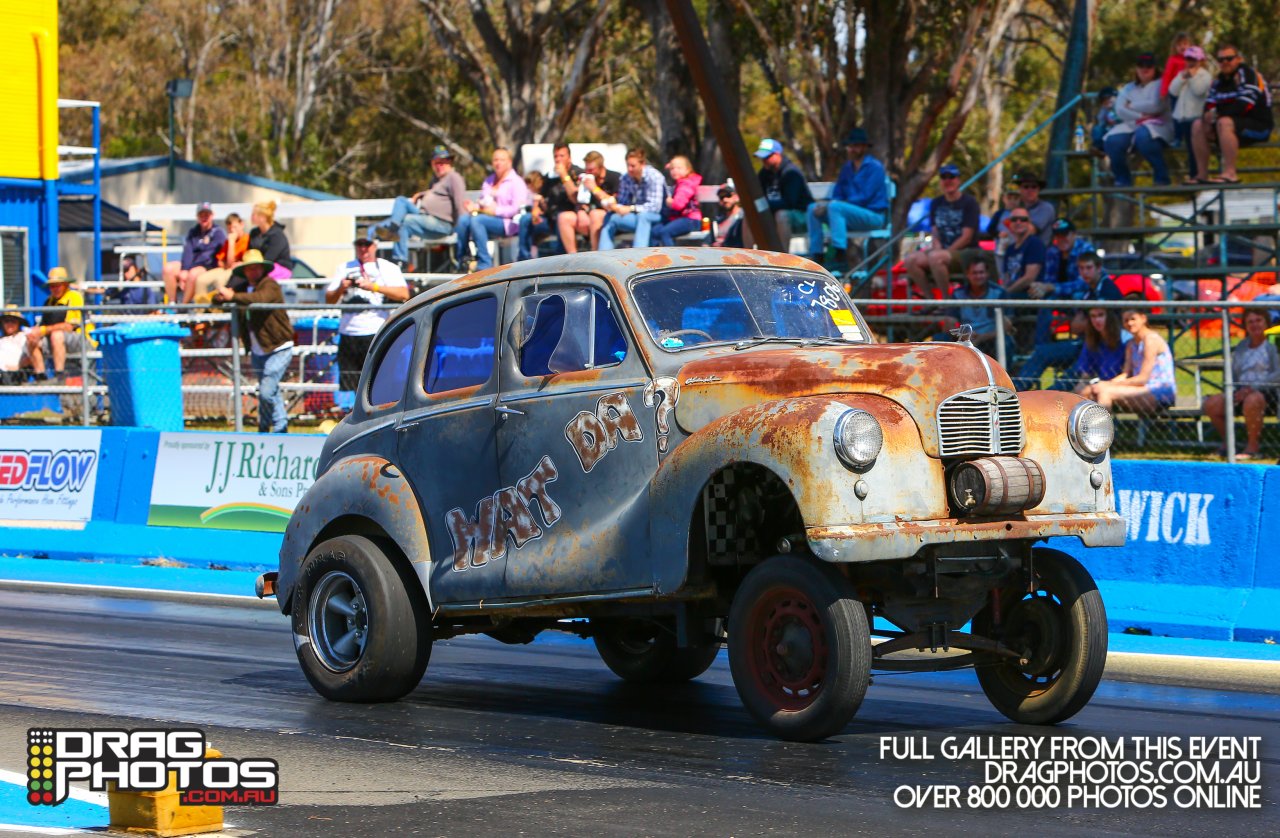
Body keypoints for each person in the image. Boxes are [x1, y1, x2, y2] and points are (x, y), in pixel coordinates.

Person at [215, 250, 292, 433]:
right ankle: (277, 427)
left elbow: (259, 300)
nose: (253, 272)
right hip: (258, 350)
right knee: (271, 391)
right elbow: (220, 300)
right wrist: (220, 296)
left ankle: (269, 427)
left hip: (278, 346)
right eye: (249, 268)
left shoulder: (270, 285)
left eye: (256, 268)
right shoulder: (242, 287)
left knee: (266, 391)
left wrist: (232, 297)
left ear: (262, 269)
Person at [325, 236, 410, 396]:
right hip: (348, 333)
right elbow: (329, 299)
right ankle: (354, 417)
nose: (363, 248)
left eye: (367, 244)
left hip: (375, 332)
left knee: (377, 380)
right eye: (359, 244)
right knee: (352, 384)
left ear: (375, 245)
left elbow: (403, 293)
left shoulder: (387, 267)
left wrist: (374, 287)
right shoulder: (344, 268)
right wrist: (341, 288)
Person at [805, 128, 888, 274]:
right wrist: (825, 206)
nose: (851, 149)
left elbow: (865, 197)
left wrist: (831, 205)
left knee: (835, 207)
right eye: (850, 146)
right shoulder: (847, 168)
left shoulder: (875, 167)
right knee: (813, 208)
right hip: (847, 215)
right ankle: (817, 254)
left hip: (873, 216)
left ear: (864, 147)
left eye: (855, 146)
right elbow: (838, 193)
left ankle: (839, 255)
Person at [1202, 309, 1280, 459]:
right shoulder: (1242, 346)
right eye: (1250, 322)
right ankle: (1228, 444)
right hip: (1241, 390)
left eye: (1258, 320)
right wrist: (1235, 389)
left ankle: (1252, 447)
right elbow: (1233, 372)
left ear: (1267, 323)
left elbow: (1278, 374)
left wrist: (1253, 388)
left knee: (1253, 399)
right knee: (1212, 403)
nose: (1255, 325)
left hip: (1267, 391)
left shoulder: (1273, 344)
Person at [370, 146, 467, 267]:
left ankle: (399, 258)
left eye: (442, 162)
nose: (439, 166)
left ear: (449, 162)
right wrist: (422, 194)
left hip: (441, 223)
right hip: (424, 217)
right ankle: (392, 232)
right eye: (436, 163)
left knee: (404, 221)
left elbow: (459, 203)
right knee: (400, 201)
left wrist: (463, 230)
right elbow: (437, 194)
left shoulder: (454, 178)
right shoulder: (436, 180)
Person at [1191, 44, 1274, 184]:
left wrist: (1216, 116)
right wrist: (1208, 120)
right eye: (1221, 59)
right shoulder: (1218, 81)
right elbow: (1209, 104)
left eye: (1229, 58)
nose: (1224, 63)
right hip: (1226, 127)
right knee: (1197, 125)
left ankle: (1230, 173)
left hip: (1258, 126)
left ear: (1238, 59)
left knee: (1224, 122)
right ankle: (1202, 175)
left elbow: (1246, 104)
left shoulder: (1248, 75)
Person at [904, 164, 980, 299]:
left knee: (936, 257)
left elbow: (967, 237)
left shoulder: (970, 202)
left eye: (952, 177)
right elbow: (935, 232)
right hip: (942, 253)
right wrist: (937, 247)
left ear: (958, 180)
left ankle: (947, 302)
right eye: (944, 177)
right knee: (910, 259)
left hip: (966, 252)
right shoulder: (936, 203)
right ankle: (930, 300)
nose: (948, 181)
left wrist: (945, 252)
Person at [1081, 308, 1176, 413]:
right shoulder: (1131, 344)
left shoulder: (1151, 340)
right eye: (1126, 320)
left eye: (1133, 319)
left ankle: (1101, 429)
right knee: (1090, 390)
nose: (1129, 323)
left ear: (1143, 318)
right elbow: (1125, 374)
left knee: (1105, 392)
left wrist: (1109, 385)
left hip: (1158, 392)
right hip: (1140, 390)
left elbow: (1143, 379)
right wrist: (1106, 383)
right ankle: (1079, 428)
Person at [1104, 53, 1174, 187]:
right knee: (1112, 141)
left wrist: (1131, 105)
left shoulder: (1161, 83)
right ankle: (1123, 179)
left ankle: (1161, 177)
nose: (1144, 69)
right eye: (1141, 66)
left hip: (1160, 126)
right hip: (1133, 125)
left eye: (1149, 66)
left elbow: (1156, 105)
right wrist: (1141, 116)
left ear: (1155, 68)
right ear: (1136, 68)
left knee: (1144, 136)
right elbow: (1119, 110)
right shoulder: (1129, 87)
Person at [455, 147, 528, 270]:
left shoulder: (517, 182)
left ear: (509, 162)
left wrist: (495, 211)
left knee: (477, 220)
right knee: (463, 220)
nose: (498, 163)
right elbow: (484, 202)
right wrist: (474, 207)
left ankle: (484, 263)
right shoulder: (489, 181)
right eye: (495, 160)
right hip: (486, 218)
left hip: (507, 223)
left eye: (502, 160)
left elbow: (517, 208)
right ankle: (462, 259)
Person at [932, 260, 1014, 362]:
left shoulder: (999, 293)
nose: (978, 276)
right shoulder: (958, 294)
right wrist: (963, 336)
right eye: (974, 273)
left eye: (981, 272)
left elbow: (1007, 326)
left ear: (987, 274)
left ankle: (1005, 374)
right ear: (968, 275)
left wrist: (982, 337)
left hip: (991, 338)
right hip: (964, 338)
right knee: (940, 338)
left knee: (1007, 341)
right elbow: (949, 322)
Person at [519, 144, 585, 260]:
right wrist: (536, 209)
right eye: (556, 156)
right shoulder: (550, 176)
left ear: (569, 157)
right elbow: (540, 196)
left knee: (562, 219)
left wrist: (564, 175)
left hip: (569, 218)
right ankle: (523, 260)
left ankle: (561, 262)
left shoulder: (577, 173)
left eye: (561, 156)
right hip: (550, 218)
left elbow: (576, 198)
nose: (558, 159)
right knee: (525, 219)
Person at [26, 268, 92, 383]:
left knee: (57, 335)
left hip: (80, 339)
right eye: (52, 286)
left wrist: (42, 330)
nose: (54, 289)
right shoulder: (49, 301)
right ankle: (41, 376)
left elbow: (69, 327)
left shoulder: (74, 297)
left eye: (58, 285)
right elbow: (43, 326)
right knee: (31, 338)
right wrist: (34, 332)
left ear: (65, 284)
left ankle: (59, 376)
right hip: (56, 341)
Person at [748, 138, 813, 248]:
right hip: (774, 214)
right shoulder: (764, 173)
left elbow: (789, 203)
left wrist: (764, 206)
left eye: (767, 157)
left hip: (801, 216)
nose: (763, 160)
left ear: (777, 155)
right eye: (762, 158)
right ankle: (745, 258)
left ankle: (781, 257)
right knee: (749, 215)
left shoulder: (791, 173)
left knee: (781, 215)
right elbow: (759, 195)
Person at [597, 148, 666, 250]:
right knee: (612, 218)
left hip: (659, 216)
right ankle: (603, 256)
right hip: (639, 216)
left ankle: (638, 256)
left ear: (642, 164)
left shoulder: (654, 176)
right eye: (628, 165)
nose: (629, 169)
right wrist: (614, 206)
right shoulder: (626, 178)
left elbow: (655, 207)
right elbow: (623, 202)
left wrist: (631, 208)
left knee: (644, 217)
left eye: (633, 166)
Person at [162, 201, 226, 304]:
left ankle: (184, 306)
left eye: (207, 215)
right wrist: (184, 270)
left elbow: (208, 256)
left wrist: (188, 270)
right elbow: (188, 251)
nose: (204, 217)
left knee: (193, 274)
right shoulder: (193, 232)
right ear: (197, 217)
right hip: (192, 265)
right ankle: (172, 303)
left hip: (209, 266)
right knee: (168, 268)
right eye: (201, 215)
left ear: (212, 216)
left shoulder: (218, 233)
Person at [1169, 46, 1213, 181]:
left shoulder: (1205, 76)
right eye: (1188, 59)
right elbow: (1173, 91)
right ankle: (1189, 174)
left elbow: (1199, 90)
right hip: (1180, 117)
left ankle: (1196, 174)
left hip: (1194, 117)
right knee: (1187, 148)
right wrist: (1182, 78)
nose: (1190, 62)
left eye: (1193, 59)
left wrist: (1192, 77)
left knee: (1194, 149)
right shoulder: (1182, 74)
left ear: (1200, 61)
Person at [1066, 307, 1128, 391]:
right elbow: (1085, 376)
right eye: (1093, 316)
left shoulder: (1125, 339)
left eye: (1101, 315)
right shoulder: (1091, 340)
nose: (1097, 320)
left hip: (1121, 385)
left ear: (1109, 317)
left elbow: (1128, 374)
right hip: (1099, 385)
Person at [193, 213, 249, 303]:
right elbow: (221, 262)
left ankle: (219, 311)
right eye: (230, 229)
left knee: (220, 281)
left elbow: (232, 263)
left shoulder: (246, 240)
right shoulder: (228, 242)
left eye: (235, 227)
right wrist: (230, 244)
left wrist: (231, 243)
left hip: (238, 270)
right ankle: (201, 311)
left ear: (241, 225)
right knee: (201, 281)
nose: (232, 231)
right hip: (225, 268)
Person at [651, 155, 703, 246]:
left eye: (679, 168)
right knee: (655, 231)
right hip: (679, 219)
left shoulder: (687, 183)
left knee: (665, 232)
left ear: (687, 169)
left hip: (691, 220)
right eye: (672, 169)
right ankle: (654, 255)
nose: (675, 171)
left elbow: (679, 204)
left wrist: (670, 202)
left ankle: (672, 257)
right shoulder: (679, 183)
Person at [1001, 206, 1047, 297]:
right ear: (1009, 223)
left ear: (1029, 223)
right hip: (1012, 296)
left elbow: (1029, 278)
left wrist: (1006, 293)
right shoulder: (1010, 249)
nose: (1018, 222)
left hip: (1029, 297)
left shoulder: (1035, 243)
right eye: (1014, 219)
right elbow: (1006, 277)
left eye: (1023, 219)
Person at [580, 151, 621, 251]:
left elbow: (614, 203)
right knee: (566, 217)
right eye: (586, 169)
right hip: (589, 217)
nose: (588, 172)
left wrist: (595, 189)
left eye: (591, 170)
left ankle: (595, 252)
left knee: (595, 214)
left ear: (601, 167)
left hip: (612, 214)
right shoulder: (586, 179)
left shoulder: (615, 177)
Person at [248, 201, 293, 277]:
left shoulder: (277, 235)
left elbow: (269, 259)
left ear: (263, 217)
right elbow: (250, 253)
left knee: (256, 273)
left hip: (277, 268)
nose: (251, 217)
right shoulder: (254, 233)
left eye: (253, 214)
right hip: (258, 267)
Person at [987, 183, 1021, 282]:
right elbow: (990, 229)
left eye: (1016, 198)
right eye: (1009, 198)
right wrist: (998, 234)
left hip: (1017, 249)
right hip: (1001, 249)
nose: (1012, 201)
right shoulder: (999, 214)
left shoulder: (1022, 213)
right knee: (1002, 274)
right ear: (1004, 199)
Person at [1012, 171, 1056, 243]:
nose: (1030, 190)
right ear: (1020, 190)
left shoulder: (1046, 208)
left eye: (1034, 187)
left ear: (1038, 190)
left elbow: (1030, 231)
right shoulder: (1015, 209)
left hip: (1039, 252)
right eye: (1026, 187)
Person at [0, 306, 29, 385]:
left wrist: (18, 366)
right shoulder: (1, 340)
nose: (10, 324)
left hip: (15, 374)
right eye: (6, 321)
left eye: (13, 321)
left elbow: (30, 357)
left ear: (19, 323)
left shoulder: (24, 336)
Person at [1159, 33, 1193, 99]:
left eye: (1185, 44)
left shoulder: (1194, 60)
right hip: (1176, 91)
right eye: (1179, 45)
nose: (1182, 47)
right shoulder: (1173, 60)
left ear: (1190, 45)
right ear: (1175, 47)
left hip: (1189, 91)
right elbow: (1167, 76)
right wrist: (1163, 91)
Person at [713, 183, 744, 248]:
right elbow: (708, 240)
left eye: (728, 195)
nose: (724, 200)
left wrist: (724, 244)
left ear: (736, 197)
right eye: (721, 197)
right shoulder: (717, 220)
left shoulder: (743, 218)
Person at [1091, 87, 1120, 154]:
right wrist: (1105, 118)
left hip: (1120, 132)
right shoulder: (1104, 110)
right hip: (1108, 131)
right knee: (1097, 129)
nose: (1106, 101)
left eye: (1109, 98)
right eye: (1103, 100)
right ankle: (1098, 147)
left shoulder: (1121, 106)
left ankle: (1103, 148)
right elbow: (1100, 120)